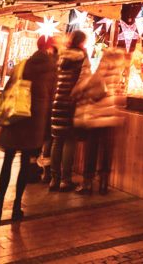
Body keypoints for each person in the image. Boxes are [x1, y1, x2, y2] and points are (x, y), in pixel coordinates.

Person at [0, 36, 57, 221]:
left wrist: (0, 121)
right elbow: (52, 99)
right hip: (35, 122)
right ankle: (17, 206)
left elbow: (7, 92)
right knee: (25, 164)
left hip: (15, 119)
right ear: (49, 47)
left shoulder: (21, 65)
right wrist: (45, 130)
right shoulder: (52, 68)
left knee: (7, 162)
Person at [72, 47, 126, 194]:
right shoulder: (118, 73)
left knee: (91, 151)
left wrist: (79, 90)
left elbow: (86, 86)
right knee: (106, 152)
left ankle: (87, 184)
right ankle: (104, 185)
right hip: (111, 117)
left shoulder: (101, 70)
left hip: (96, 116)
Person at [47, 30, 89, 192]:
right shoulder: (81, 57)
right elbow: (85, 80)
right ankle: (65, 180)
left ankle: (53, 179)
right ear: (81, 42)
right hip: (71, 102)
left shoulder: (62, 57)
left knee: (57, 140)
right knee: (69, 140)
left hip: (57, 101)